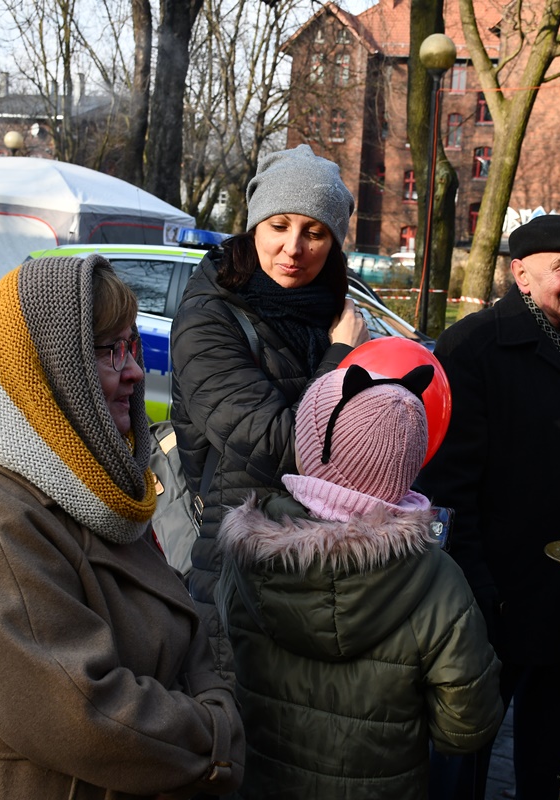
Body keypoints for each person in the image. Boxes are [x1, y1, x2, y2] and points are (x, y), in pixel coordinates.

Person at [0, 255, 244, 800]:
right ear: (45, 369)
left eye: (131, 346)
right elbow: (85, 712)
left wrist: (213, 702)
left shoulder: (88, 485)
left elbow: (177, 620)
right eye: (107, 350)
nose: (133, 371)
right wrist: (217, 734)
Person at [417, 213, 560, 800]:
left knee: (553, 768)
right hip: (490, 607)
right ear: (521, 274)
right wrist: (479, 590)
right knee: (460, 760)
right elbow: (449, 488)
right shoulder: (473, 348)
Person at [216, 364, 502, 799]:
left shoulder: (246, 554)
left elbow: (221, 667)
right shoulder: (439, 581)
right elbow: (465, 728)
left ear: (311, 445)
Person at [169, 144, 369, 675]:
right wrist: (341, 358)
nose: (293, 248)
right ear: (254, 224)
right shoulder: (209, 319)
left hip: (325, 567)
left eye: (314, 232)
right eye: (279, 225)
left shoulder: (330, 311)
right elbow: (280, 445)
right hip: (239, 566)